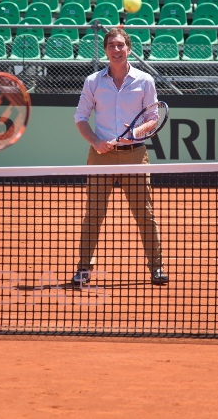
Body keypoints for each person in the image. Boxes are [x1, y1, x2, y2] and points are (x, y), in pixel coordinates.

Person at [71, 28, 168, 286]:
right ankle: (83, 269)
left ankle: (156, 267)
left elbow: (153, 118)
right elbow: (80, 117)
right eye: (111, 45)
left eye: (120, 45)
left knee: (145, 214)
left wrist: (133, 134)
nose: (116, 50)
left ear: (129, 49)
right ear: (105, 50)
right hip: (100, 157)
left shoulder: (145, 80)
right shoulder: (93, 81)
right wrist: (96, 141)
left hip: (135, 156)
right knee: (93, 214)